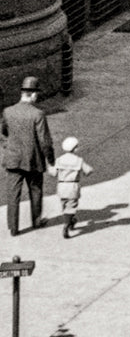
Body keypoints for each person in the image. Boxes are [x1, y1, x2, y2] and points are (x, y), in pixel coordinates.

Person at [1, 76, 55, 236]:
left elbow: (3, 131)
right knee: (36, 190)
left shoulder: (8, 111)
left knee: (13, 194)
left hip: (13, 158)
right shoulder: (38, 114)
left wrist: (8, 144)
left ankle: (13, 227)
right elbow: (45, 141)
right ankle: (36, 221)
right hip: (33, 160)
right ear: (33, 94)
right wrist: (51, 161)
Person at [49, 137, 94, 238]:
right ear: (75, 148)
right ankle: (67, 224)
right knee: (71, 206)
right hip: (73, 186)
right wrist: (89, 171)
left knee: (64, 205)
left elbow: (53, 173)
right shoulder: (78, 160)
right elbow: (88, 170)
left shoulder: (59, 160)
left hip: (61, 186)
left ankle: (70, 220)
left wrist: (50, 168)